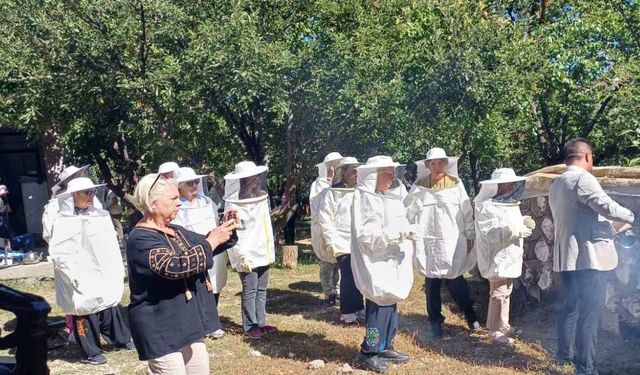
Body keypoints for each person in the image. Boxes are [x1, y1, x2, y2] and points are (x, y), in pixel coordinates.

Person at [126, 173, 237, 374]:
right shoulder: (140, 239)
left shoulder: (175, 230)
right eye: (173, 198)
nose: (179, 203)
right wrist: (213, 240)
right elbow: (174, 266)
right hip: (160, 327)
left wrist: (226, 231)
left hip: (187, 321)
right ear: (153, 204)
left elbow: (205, 243)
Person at [549, 138, 635, 375]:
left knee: (569, 308)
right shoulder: (583, 179)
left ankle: (564, 356)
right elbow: (605, 206)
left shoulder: (557, 183)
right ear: (587, 156)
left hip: (566, 257)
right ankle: (585, 368)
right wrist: (630, 215)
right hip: (589, 258)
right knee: (590, 314)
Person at [48, 177, 134, 365]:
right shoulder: (63, 220)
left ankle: (121, 340)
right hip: (79, 273)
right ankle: (92, 351)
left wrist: (116, 267)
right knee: (85, 309)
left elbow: (110, 245)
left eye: (92, 192)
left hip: (103, 271)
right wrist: (69, 271)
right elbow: (59, 250)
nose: (91, 196)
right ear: (73, 196)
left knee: (108, 305)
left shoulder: (100, 216)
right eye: (86, 192)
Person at [404, 148, 479, 339]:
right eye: (433, 164)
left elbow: (466, 212)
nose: (436, 167)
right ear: (428, 166)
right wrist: (413, 208)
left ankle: (470, 315)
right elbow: (407, 212)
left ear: (445, 165)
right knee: (432, 284)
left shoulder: (456, 185)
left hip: (452, 240)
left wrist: (470, 234)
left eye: (440, 163)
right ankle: (435, 321)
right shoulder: (420, 186)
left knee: (456, 280)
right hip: (428, 242)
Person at [351, 156, 414, 373]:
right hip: (374, 261)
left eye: (393, 172)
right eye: (388, 173)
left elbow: (397, 221)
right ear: (374, 175)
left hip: (390, 259)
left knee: (390, 303)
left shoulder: (387, 196)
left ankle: (386, 345)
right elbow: (366, 236)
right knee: (378, 307)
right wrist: (396, 234)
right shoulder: (364, 198)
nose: (393, 177)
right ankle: (368, 351)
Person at [474, 168, 535, 344]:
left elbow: (512, 224)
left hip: (510, 255)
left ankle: (503, 325)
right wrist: (516, 231)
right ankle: (495, 331)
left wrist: (523, 222)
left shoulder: (511, 204)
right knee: (498, 293)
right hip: (496, 257)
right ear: (496, 186)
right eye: (506, 183)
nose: (510, 186)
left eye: (512, 183)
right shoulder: (486, 206)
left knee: (505, 291)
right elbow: (490, 234)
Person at [172, 167, 229, 339]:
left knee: (215, 283)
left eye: (196, 181)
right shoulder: (177, 206)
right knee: (196, 287)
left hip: (213, 249)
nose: (194, 185)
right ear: (180, 186)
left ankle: (212, 321)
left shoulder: (207, 202)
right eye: (189, 183)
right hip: (191, 252)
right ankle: (197, 324)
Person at [223, 161, 278, 340]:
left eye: (256, 177)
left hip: (262, 250)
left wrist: (269, 248)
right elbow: (232, 233)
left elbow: (264, 227)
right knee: (250, 290)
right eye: (251, 178)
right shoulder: (232, 205)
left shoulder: (261, 198)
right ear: (244, 180)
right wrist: (241, 255)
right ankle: (250, 325)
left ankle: (261, 322)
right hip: (246, 254)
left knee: (262, 289)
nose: (255, 180)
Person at [317, 157, 364, 324]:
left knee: (359, 275)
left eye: (358, 171)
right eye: (353, 171)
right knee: (347, 276)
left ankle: (359, 307)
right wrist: (330, 240)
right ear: (343, 173)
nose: (356, 175)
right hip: (341, 241)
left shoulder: (362, 191)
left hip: (359, 241)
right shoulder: (332, 193)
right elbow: (325, 218)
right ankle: (347, 310)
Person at [310, 152, 343, 305]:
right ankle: (328, 292)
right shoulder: (318, 184)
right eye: (332, 166)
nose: (334, 169)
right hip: (323, 229)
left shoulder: (341, 185)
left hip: (339, 229)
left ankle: (338, 290)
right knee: (327, 263)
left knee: (339, 261)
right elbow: (316, 209)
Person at [0, 185, 12, 265]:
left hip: (4, 221)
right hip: (1, 221)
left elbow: (9, 210)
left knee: (6, 239)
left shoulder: (4, 199)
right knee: (3, 239)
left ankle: (8, 257)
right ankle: (4, 258)